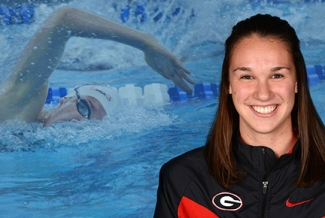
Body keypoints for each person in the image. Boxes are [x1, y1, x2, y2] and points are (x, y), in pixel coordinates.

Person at [154, 14, 325, 217]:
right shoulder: (184, 181)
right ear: (228, 84)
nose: (263, 94)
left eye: (277, 75)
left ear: (297, 82)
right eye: (246, 76)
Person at [0, 6, 195, 127]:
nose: (80, 122)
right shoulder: (17, 107)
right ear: (63, 100)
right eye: (84, 107)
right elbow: (63, 19)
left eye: (92, 123)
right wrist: (145, 43)